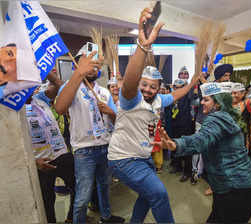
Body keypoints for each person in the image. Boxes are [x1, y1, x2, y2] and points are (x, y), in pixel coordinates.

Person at [107, 7, 201, 223]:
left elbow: (176, 94)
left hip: (143, 157)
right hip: (124, 160)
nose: (148, 90)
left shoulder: (159, 100)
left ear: (159, 88)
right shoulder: (131, 99)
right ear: (140, 85)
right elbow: (129, 82)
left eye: (153, 86)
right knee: (158, 193)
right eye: (145, 85)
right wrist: (143, 46)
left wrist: (193, 81)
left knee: (147, 196)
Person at [154, 82, 251, 223]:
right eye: (202, 98)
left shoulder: (217, 119)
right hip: (235, 188)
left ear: (217, 103)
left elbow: (201, 140)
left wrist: (176, 144)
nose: (201, 102)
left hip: (238, 189)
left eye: (206, 99)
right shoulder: (225, 115)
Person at [55, 48, 124, 224]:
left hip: (105, 146)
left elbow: (117, 119)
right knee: (83, 195)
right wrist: (79, 75)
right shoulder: (70, 87)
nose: (93, 69)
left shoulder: (105, 92)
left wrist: (111, 111)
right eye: (89, 64)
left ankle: (106, 216)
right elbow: (60, 108)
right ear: (77, 65)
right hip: (84, 150)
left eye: (96, 66)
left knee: (104, 186)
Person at [25, 70, 75, 223]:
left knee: (79, 185)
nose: (30, 87)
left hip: (60, 155)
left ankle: (72, 217)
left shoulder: (40, 100)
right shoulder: (13, 110)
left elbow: (59, 86)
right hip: (42, 163)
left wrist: (46, 70)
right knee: (47, 201)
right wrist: (34, 162)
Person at [169, 78, 194, 183]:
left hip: (186, 127)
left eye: (181, 87)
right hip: (175, 126)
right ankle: (177, 166)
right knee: (175, 147)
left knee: (186, 150)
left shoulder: (188, 97)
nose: (178, 89)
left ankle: (187, 172)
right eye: (176, 87)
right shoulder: (171, 97)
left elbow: (193, 92)